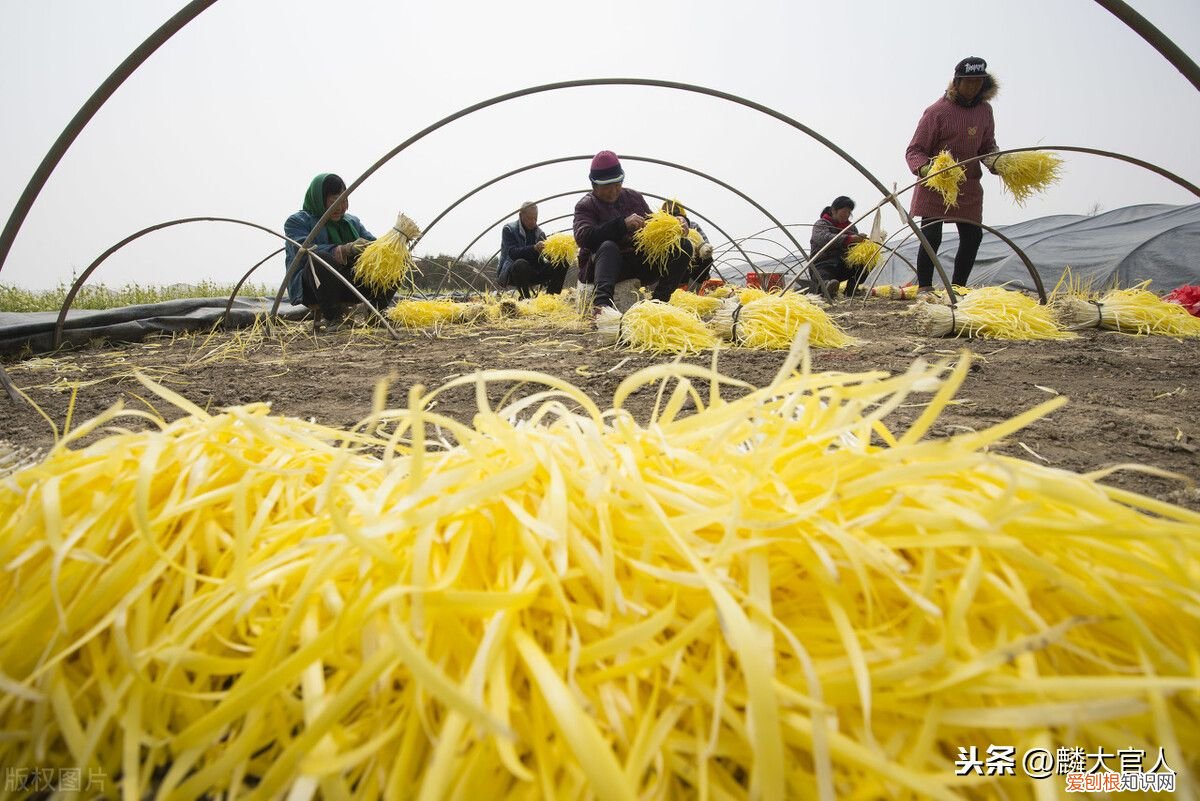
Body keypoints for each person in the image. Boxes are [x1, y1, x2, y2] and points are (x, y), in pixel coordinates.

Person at [905, 56, 1000, 297]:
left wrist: (998, 162)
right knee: (931, 236)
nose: (973, 87)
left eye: (978, 82)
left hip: (968, 185)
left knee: (972, 236)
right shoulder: (937, 112)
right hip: (937, 185)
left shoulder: (984, 111)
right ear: (956, 82)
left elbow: (987, 146)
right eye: (968, 82)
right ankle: (925, 286)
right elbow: (914, 150)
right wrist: (929, 170)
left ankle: (957, 288)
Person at [574, 151, 693, 312]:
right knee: (608, 246)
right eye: (607, 186)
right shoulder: (586, 205)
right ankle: (602, 307)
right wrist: (622, 225)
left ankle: (659, 303)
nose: (613, 191)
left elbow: (653, 225)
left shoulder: (634, 197)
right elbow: (584, 237)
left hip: (636, 262)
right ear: (594, 186)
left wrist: (675, 223)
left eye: (617, 184)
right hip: (605, 268)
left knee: (683, 246)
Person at [283, 173, 392, 327]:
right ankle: (333, 317)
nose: (341, 208)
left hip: (349, 285)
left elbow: (372, 243)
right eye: (335, 202)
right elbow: (304, 251)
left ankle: (377, 312)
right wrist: (345, 249)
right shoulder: (297, 222)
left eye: (345, 201)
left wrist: (392, 245)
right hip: (315, 287)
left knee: (393, 261)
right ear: (319, 200)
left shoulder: (351, 222)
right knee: (319, 259)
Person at [498, 201, 566, 298]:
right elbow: (512, 253)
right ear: (521, 215)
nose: (533, 222)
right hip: (515, 273)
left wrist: (556, 252)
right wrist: (534, 248)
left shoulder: (540, 234)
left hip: (535, 271)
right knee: (520, 263)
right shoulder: (509, 229)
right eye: (529, 218)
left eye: (535, 218)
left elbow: (548, 257)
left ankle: (550, 297)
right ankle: (526, 299)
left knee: (562, 261)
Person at [809, 195, 869, 299]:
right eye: (844, 211)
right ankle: (826, 287)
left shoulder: (851, 228)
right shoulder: (822, 224)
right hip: (823, 264)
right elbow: (825, 239)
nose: (846, 215)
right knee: (824, 275)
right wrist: (849, 239)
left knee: (868, 260)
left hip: (842, 265)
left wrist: (865, 245)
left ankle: (852, 289)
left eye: (849, 212)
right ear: (833, 210)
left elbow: (855, 248)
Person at [661, 200, 715, 291]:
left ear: (682, 213)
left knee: (707, 259)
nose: (671, 214)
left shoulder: (693, 226)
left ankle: (692, 291)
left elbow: (706, 247)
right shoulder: (661, 230)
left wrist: (699, 249)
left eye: (675, 211)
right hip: (672, 265)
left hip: (692, 267)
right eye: (667, 212)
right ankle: (666, 290)